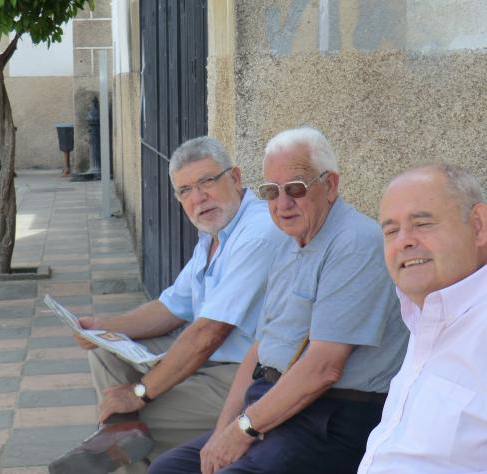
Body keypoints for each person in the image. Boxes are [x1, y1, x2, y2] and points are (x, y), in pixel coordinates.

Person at [150, 127, 409, 474]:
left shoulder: (355, 243)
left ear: (330, 185)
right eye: (271, 191)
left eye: (296, 189)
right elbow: (259, 349)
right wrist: (223, 432)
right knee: (169, 469)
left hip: (331, 418)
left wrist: (242, 430)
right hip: (275, 402)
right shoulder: (289, 242)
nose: (282, 203)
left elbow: (323, 369)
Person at [49, 137, 286, 474]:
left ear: (234, 178)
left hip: (245, 375)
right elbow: (170, 308)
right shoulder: (215, 235)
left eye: (207, 182)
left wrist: (140, 394)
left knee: (138, 422)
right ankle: (120, 435)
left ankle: (124, 436)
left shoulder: (257, 233)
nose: (198, 198)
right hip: (210, 363)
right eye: (185, 190)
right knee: (104, 352)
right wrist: (101, 327)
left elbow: (208, 333)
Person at [358, 164, 487, 473]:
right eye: (391, 231)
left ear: (478, 226)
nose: (404, 241)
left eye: (422, 224)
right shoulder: (424, 317)